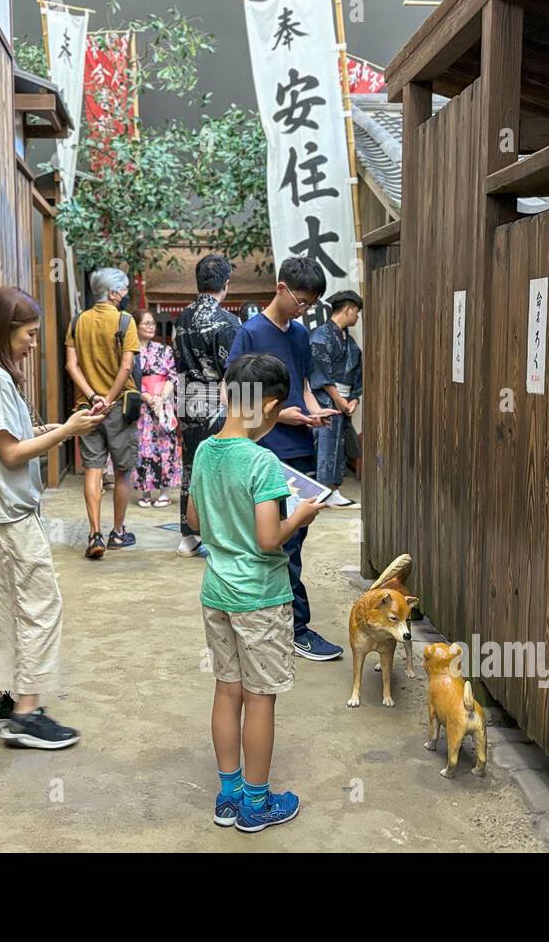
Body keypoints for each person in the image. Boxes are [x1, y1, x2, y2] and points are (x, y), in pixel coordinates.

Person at [0, 286, 105, 750]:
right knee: (41, 607)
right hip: (6, 517)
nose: (35, 343)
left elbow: (10, 438)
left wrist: (61, 426)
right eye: (30, 333)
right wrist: (67, 431)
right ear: (6, 330)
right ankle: (27, 713)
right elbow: (12, 453)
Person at [185, 353, 327, 832]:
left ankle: (228, 794)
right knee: (261, 697)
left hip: (217, 593)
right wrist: (301, 517)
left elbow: (194, 522)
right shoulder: (264, 462)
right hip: (261, 598)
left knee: (227, 690)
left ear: (228, 395)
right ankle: (257, 804)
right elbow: (270, 539)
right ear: (270, 406)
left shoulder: (205, 452)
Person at [225, 256, 343, 662]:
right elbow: (235, 398)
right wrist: (281, 415)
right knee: (275, 539)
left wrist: (312, 413)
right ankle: (296, 626)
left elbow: (305, 384)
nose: (304, 309)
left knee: (294, 538)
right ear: (281, 288)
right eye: (301, 301)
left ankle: (283, 622)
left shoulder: (298, 335)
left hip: (299, 445)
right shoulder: (249, 333)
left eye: (311, 304)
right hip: (264, 448)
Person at [65, 267, 141, 559]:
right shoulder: (125, 321)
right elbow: (126, 367)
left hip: (87, 408)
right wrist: (108, 399)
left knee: (93, 470)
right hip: (119, 407)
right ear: (112, 292)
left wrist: (94, 397)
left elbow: (72, 366)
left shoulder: (77, 321)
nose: (124, 295)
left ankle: (94, 532)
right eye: (122, 290)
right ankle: (118, 534)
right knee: (122, 471)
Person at [172, 254, 241, 557]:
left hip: (187, 396)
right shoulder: (229, 321)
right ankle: (218, 534)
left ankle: (188, 535)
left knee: (192, 464)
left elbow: (177, 361)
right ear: (226, 284)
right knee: (221, 466)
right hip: (216, 399)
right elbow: (233, 371)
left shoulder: (181, 318)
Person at [310, 290, 364, 507]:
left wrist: (354, 399)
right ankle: (321, 492)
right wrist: (337, 399)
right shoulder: (320, 337)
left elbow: (357, 372)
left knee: (338, 447)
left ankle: (334, 491)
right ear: (349, 308)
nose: (357, 318)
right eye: (357, 313)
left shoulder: (349, 342)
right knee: (324, 445)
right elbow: (320, 372)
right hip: (325, 401)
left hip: (344, 402)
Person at [133, 309, 181, 507]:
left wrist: (160, 398)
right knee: (144, 447)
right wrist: (147, 397)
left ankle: (164, 491)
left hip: (163, 404)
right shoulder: (130, 352)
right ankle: (145, 491)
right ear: (136, 327)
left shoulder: (164, 350)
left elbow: (173, 376)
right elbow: (130, 378)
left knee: (165, 445)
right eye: (146, 323)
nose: (151, 326)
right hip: (142, 404)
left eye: (152, 323)